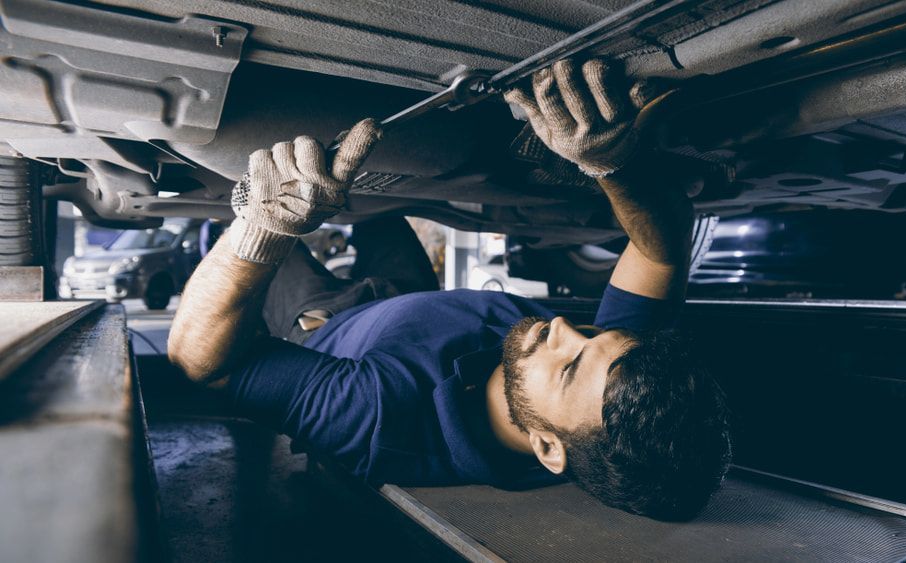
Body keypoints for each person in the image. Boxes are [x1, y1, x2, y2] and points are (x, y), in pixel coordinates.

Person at [168, 59, 731, 519]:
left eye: (566, 367)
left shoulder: (376, 421)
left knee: (245, 227)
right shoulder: (619, 373)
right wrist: (613, 165)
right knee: (375, 199)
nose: (563, 328)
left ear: (547, 448)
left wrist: (263, 229)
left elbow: (201, 364)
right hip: (412, 293)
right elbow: (661, 250)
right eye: (594, 335)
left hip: (320, 320)